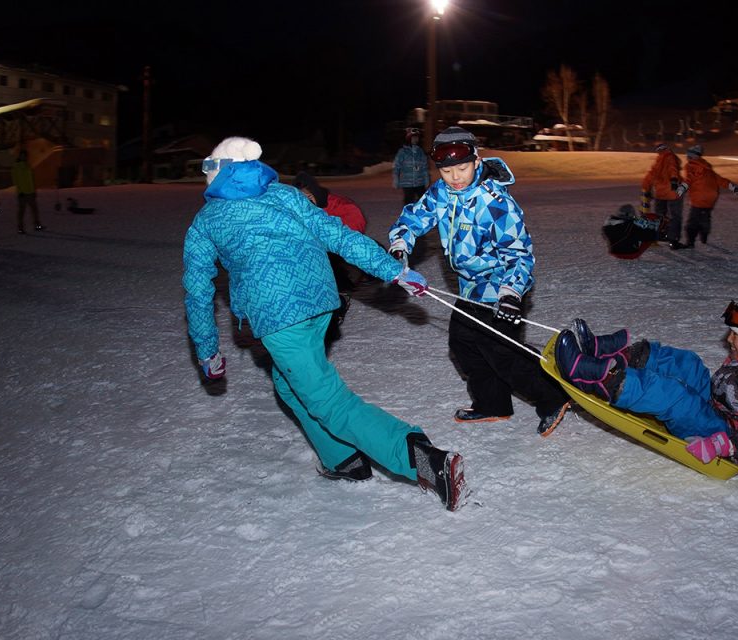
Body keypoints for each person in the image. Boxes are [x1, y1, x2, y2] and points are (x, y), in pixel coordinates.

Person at [182, 136, 468, 511]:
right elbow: (338, 234)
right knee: (289, 387)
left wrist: (207, 351)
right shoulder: (285, 195)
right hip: (320, 304)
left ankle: (424, 460)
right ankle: (343, 460)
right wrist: (393, 270)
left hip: (279, 318)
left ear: (218, 173)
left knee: (328, 400)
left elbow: (197, 292)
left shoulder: (207, 220)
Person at [388, 126, 571, 437]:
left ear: (476, 161)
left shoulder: (495, 202)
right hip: (469, 287)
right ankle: (493, 403)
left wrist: (511, 293)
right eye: (447, 171)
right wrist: (400, 244)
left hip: (500, 287)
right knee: (463, 344)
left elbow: (519, 254)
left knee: (501, 351)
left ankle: (553, 396)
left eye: (462, 168)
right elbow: (414, 218)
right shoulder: (441, 192)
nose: (455, 177)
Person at [555, 286, 738, 467]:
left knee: (674, 396)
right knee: (689, 364)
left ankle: (597, 378)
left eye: (736, 336)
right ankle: (609, 355)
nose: (729, 339)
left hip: (720, 434)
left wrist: (723, 446)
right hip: (717, 407)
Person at [293, 170, 367, 343]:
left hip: (340, 256)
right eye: (300, 198)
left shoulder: (340, 205)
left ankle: (335, 311)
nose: (305, 202)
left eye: (308, 197)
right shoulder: (295, 210)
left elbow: (353, 232)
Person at [680, 144, 738, 248]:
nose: (687, 157)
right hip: (711, 197)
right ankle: (704, 234)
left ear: (691, 156)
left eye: (688, 155)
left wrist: (681, 189)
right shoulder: (707, 167)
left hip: (699, 197)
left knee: (693, 220)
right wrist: (733, 187)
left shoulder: (691, 166)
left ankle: (690, 242)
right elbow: (720, 180)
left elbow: (689, 179)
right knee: (705, 216)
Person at [641, 143, 688, 249]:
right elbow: (672, 169)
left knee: (660, 215)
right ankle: (673, 240)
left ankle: (661, 234)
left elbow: (650, 175)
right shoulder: (670, 157)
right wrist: (674, 180)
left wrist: (646, 188)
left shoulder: (658, 162)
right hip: (673, 192)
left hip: (660, 193)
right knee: (675, 216)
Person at [392, 127, 430, 206]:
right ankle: (409, 212)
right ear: (409, 139)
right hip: (407, 182)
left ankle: (421, 212)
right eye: (413, 138)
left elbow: (425, 167)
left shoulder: (420, 151)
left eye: (417, 138)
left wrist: (426, 179)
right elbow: (396, 166)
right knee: (409, 201)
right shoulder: (402, 152)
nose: (416, 139)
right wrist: (396, 179)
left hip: (420, 182)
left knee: (422, 201)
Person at [10, 150, 45, 234]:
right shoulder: (16, 167)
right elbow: (16, 181)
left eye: (25, 156)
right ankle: (20, 228)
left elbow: (31, 180)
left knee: (34, 209)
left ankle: (37, 225)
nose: (24, 157)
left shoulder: (28, 165)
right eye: (22, 155)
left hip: (30, 192)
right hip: (23, 193)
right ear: (20, 156)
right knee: (22, 211)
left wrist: (33, 190)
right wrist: (20, 191)